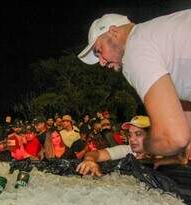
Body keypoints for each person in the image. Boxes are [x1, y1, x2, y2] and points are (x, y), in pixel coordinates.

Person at [77, 11, 191, 157]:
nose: (101, 62)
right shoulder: (157, 38)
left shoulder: (134, 49)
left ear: (113, 32)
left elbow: (173, 138)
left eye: (99, 51)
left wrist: (145, 147)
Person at [76, 115, 151, 176]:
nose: (131, 139)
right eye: (130, 135)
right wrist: (89, 160)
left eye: (138, 134)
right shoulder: (127, 150)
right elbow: (95, 154)